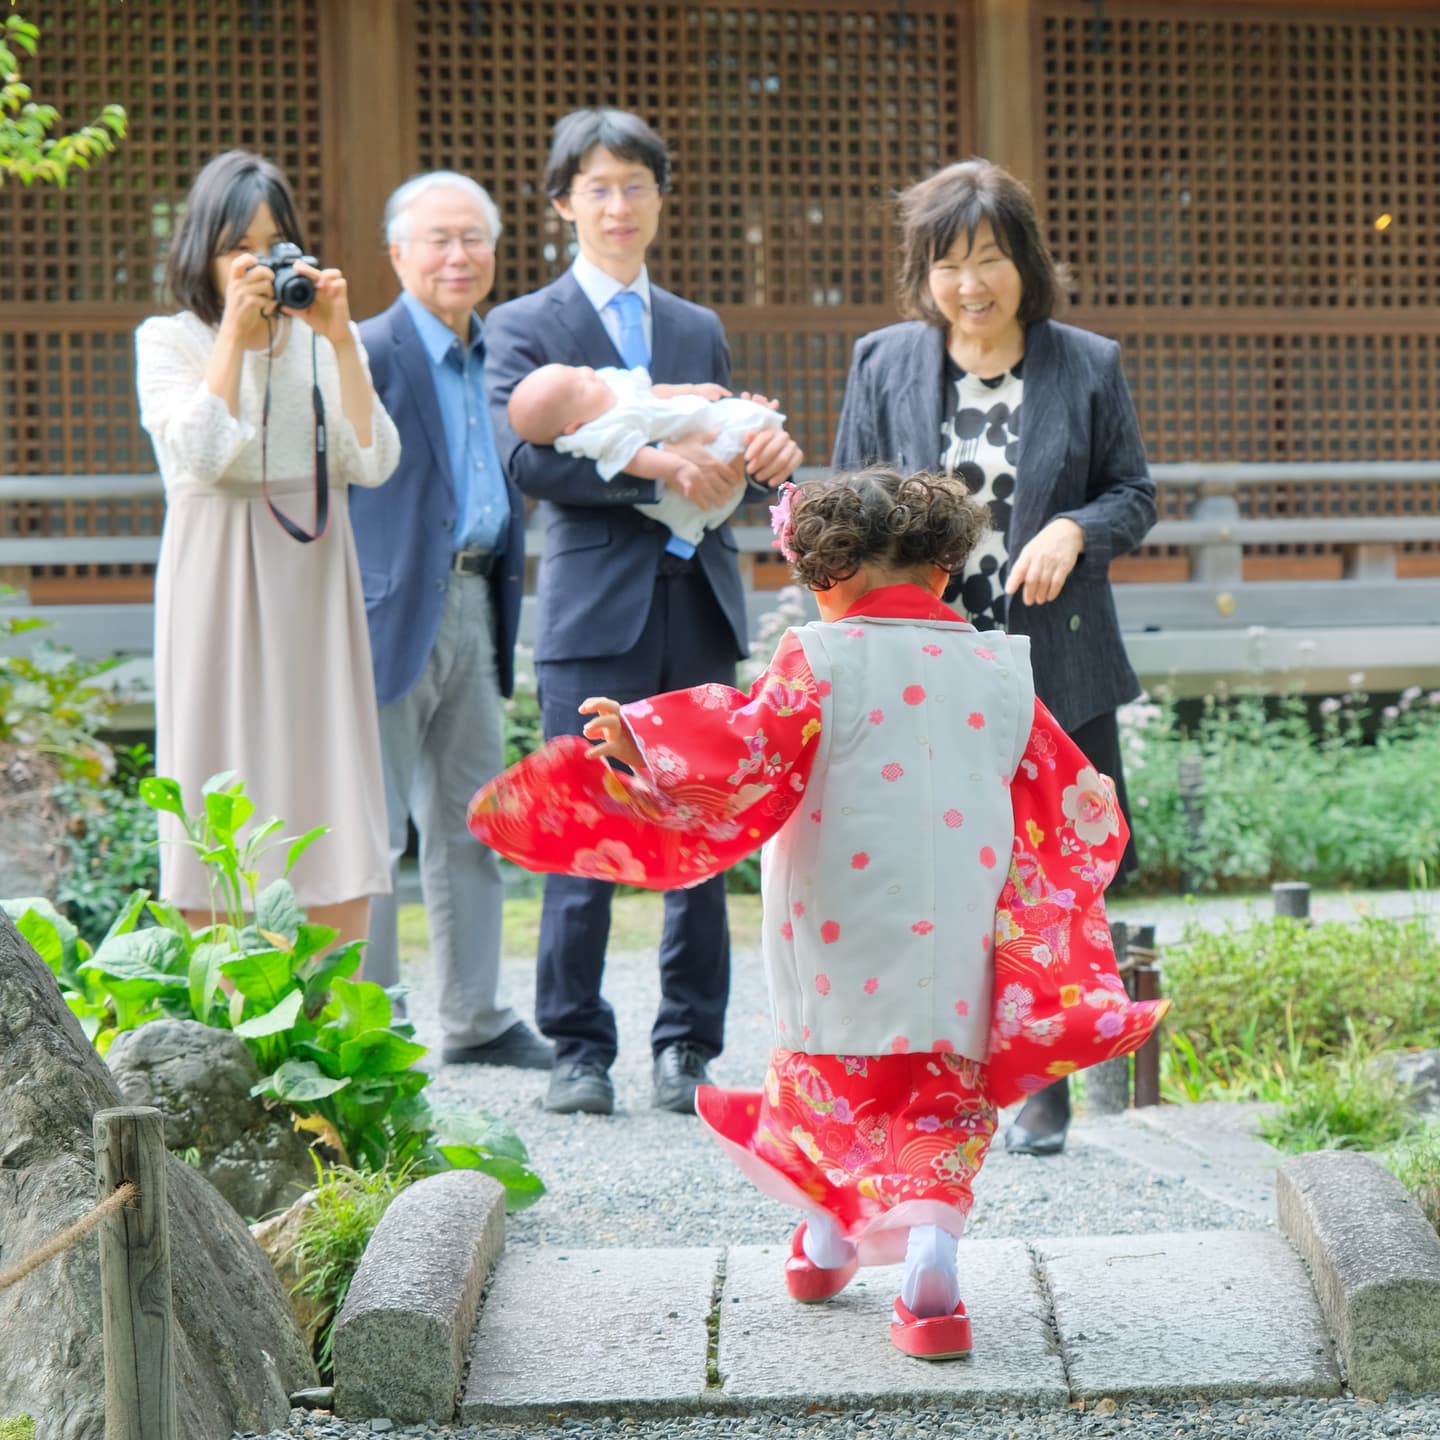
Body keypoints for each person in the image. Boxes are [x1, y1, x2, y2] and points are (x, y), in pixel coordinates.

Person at [466, 468, 1168, 1359]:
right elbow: (1074, 794)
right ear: (944, 571)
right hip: (959, 926)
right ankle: (931, 1270)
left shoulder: (819, 657)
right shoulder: (999, 667)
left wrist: (645, 740)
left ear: (823, 578)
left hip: (839, 919)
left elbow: (744, 742)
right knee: (936, 1099)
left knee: (829, 1084)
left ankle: (830, 1240)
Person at [831, 158, 1157, 1157]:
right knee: (934, 873)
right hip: (925, 664)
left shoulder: (1086, 363)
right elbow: (849, 499)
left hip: (1053, 664)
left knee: (1054, 869)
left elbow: (1133, 496)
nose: (970, 286)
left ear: (1026, 261)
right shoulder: (882, 360)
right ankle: (937, 1072)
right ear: (922, 274)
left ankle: (1045, 1077)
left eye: (988, 259)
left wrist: (1074, 530)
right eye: (947, 265)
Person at [484, 107, 803, 1116]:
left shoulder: (696, 325)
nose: (617, 206)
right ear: (564, 205)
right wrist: (660, 468)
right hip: (595, 609)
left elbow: (732, 456)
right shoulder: (527, 326)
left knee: (701, 822)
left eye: (635, 186)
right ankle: (577, 1046)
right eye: (598, 188)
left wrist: (764, 469)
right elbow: (526, 459)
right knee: (584, 816)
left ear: (661, 200)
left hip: (701, 600)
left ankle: (688, 1045)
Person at [135, 149, 398, 947]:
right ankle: (218, 1020)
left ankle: (328, 1014)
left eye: (273, 242)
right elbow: (202, 454)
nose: (257, 262)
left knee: (327, 768)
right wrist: (236, 344)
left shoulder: (317, 340)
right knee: (216, 763)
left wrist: (342, 341)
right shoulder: (168, 339)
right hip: (215, 571)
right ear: (200, 251)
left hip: (311, 577)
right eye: (236, 246)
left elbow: (375, 461)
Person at [349, 172, 552, 1069]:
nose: (457, 255)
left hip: (482, 596)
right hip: (389, 609)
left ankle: (474, 1016)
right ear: (398, 252)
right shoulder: (365, 349)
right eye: (437, 239)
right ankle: (374, 1019)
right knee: (377, 825)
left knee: (472, 819)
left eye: (473, 238)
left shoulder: (498, 354)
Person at [507, 361, 786, 549]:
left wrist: (691, 390)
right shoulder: (601, 431)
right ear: (574, 426)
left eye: (578, 370)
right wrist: (675, 466)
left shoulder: (612, 385)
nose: (587, 373)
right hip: (685, 484)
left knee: (744, 423)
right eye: (581, 386)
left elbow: (653, 392)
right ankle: (756, 424)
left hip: (694, 421)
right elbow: (635, 458)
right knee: (737, 431)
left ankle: (761, 426)